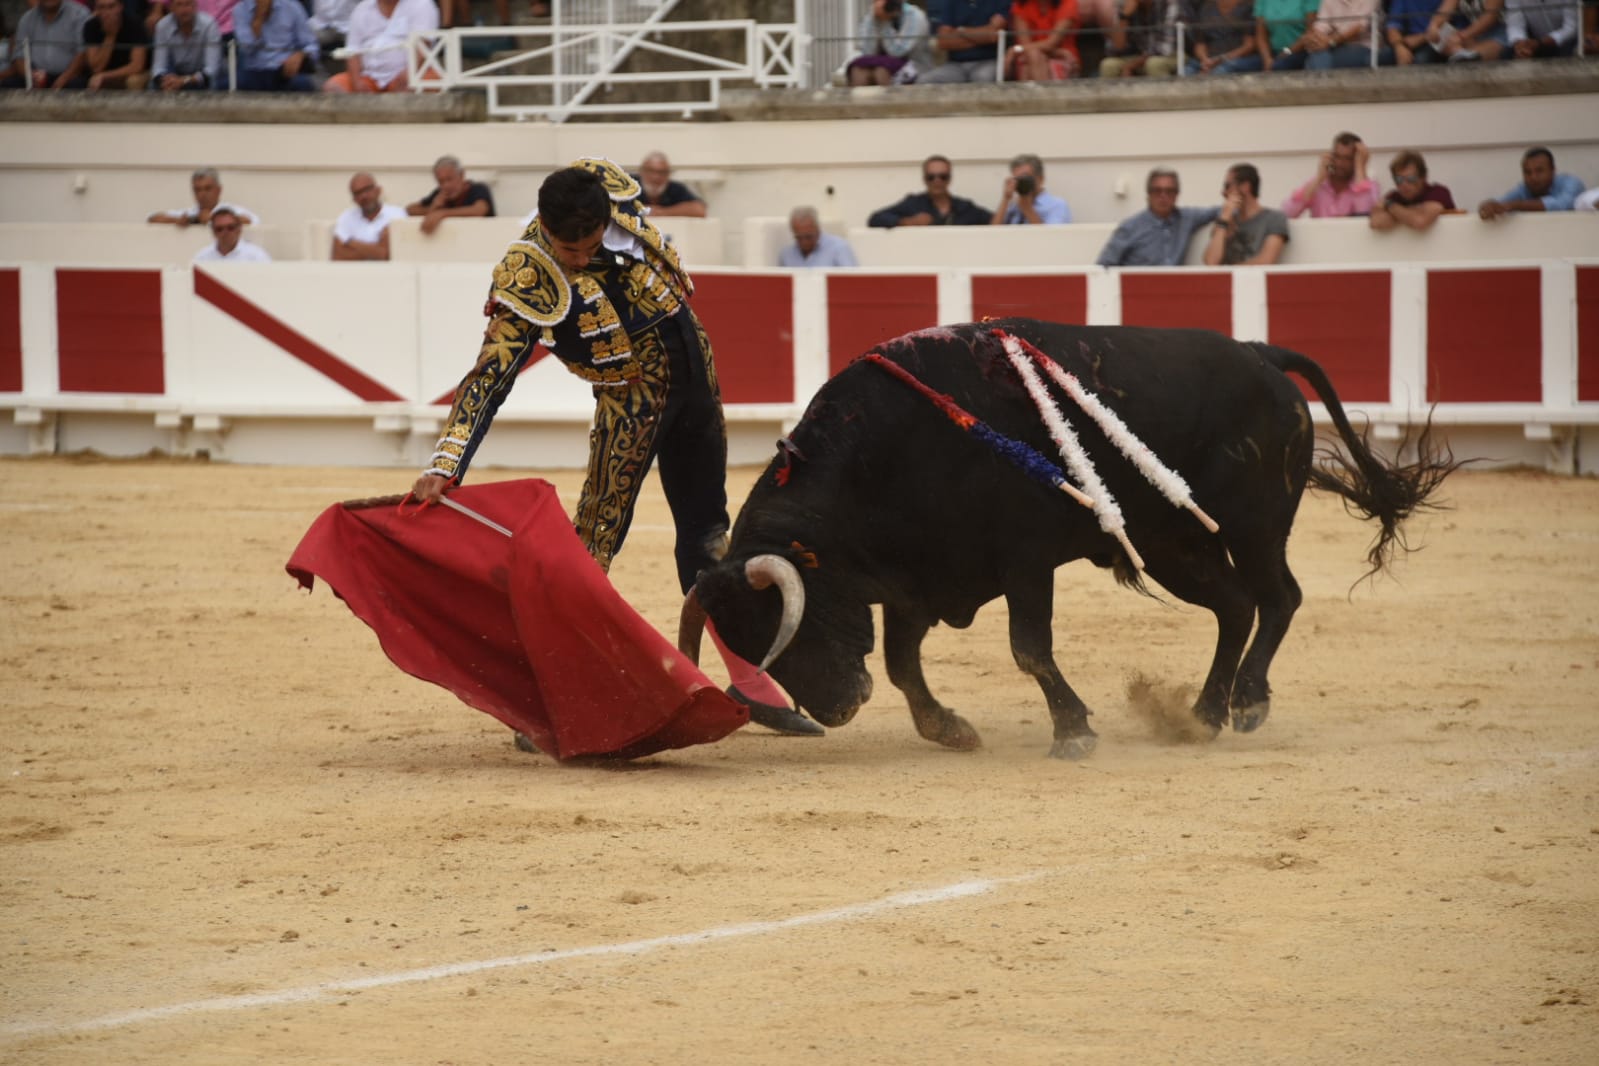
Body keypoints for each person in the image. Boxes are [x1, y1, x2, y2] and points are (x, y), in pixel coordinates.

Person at [409, 159, 823, 738]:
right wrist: (447, 462)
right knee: (593, 543)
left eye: (586, 245)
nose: (576, 259)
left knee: (708, 532)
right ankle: (546, 692)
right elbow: (491, 372)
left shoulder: (615, 198)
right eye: (566, 249)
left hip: (697, 383)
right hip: (631, 402)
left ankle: (746, 680)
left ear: (606, 217)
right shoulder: (527, 271)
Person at [1096, 167, 1221, 266]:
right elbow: (1104, 265)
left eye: (1169, 191)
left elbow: (1218, 211)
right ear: (1148, 194)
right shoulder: (1129, 227)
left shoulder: (1186, 219)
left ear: (1176, 195)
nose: (1163, 196)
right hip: (1137, 293)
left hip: (1173, 292)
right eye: (1157, 191)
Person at [321, 0, 435, 92]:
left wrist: (408, 74)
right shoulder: (362, 8)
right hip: (370, 77)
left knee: (414, 85)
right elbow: (352, 51)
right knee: (333, 87)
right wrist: (357, 82)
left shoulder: (422, 4)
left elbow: (423, 46)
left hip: (414, 73)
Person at [867, 155, 993, 227]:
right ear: (924, 180)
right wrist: (908, 222)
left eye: (943, 176)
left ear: (949, 179)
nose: (937, 181)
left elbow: (994, 222)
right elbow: (875, 219)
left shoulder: (964, 207)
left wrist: (1006, 197)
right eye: (931, 177)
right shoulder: (913, 204)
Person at [1203, 163, 1290, 265]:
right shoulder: (1225, 220)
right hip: (1224, 280)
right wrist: (1223, 221)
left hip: (1253, 280)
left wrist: (1227, 272)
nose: (1223, 192)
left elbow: (1266, 261)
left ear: (1245, 187)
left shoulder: (1274, 218)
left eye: (1227, 186)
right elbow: (1211, 262)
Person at [1282, 131, 1380, 218]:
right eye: (1337, 157)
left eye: (1347, 159)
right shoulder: (1318, 184)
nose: (1340, 163)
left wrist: (1360, 167)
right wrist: (1318, 179)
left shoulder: (1369, 185)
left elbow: (1364, 214)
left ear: (1356, 159)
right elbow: (1287, 213)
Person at [58, 0, 151, 91]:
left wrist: (105, 76)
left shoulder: (135, 24)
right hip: (99, 75)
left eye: (111, 6)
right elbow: (96, 68)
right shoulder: (91, 26)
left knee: (133, 81)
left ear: (120, 7)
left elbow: (137, 65)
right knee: (76, 84)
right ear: (96, 9)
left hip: (126, 74)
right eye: (101, 7)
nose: (106, 12)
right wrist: (110, 37)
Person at [1478, 146, 1588, 220]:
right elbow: (1502, 203)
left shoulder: (1571, 183)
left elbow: (1562, 205)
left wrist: (1516, 205)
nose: (1533, 177)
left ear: (1553, 170)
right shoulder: (1524, 189)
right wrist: (1488, 206)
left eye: (1539, 171)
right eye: (1527, 172)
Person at [0, 0, 92, 88]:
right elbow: (19, 56)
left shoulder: (79, 14)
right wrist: (30, 77)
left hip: (70, 76)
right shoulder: (27, 19)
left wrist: (64, 78)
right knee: (8, 84)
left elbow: (83, 53)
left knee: (77, 85)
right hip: (36, 76)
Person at [233, 0, 318, 91]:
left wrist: (301, 55)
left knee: (303, 83)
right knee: (224, 86)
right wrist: (258, 19)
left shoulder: (292, 7)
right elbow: (246, 50)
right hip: (255, 70)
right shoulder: (240, 9)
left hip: (284, 70)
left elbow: (311, 44)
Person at [845, 0, 933, 85]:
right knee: (858, 70)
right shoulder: (873, 15)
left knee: (881, 71)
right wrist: (874, 20)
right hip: (883, 62)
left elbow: (898, 51)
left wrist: (884, 22)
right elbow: (867, 52)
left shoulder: (915, 16)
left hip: (915, 65)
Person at [920, 0, 1010, 83]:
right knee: (925, 80)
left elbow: (993, 36)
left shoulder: (1000, 1)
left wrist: (960, 31)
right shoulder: (951, 2)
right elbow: (943, 41)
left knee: (983, 77)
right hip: (955, 65)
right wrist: (981, 36)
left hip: (988, 61)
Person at [406, 155, 496, 235]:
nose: (446, 185)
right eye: (441, 181)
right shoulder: (440, 194)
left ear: (461, 175)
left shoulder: (477, 188)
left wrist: (442, 213)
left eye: (449, 179)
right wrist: (432, 208)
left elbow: (479, 210)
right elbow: (410, 210)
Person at [1368, 151, 1455, 232]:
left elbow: (1420, 222)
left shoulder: (1438, 192)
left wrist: (1391, 207)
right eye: (1399, 179)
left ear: (1423, 177)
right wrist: (1411, 213)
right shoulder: (1393, 197)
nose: (1404, 184)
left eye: (1411, 179)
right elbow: (1377, 222)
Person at [331, 171, 407, 260]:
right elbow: (338, 257)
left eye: (367, 189)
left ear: (378, 190)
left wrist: (349, 242)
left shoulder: (397, 215)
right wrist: (377, 249)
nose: (363, 196)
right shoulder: (346, 218)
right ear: (354, 199)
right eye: (357, 193)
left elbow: (386, 254)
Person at [149, 167, 260, 227]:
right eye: (197, 189)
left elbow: (251, 221)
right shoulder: (191, 213)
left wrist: (212, 218)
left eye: (207, 188)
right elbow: (152, 219)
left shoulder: (232, 210)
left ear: (219, 190)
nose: (202, 194)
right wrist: (178, 220)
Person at [150, 0, 222, 90]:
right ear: (171, 8)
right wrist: (166, 80)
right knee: (154, 85)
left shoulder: (209, 25)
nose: (184, 10)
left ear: (195, 6)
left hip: (200, 76)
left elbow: (212, 69)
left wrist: (184, 80)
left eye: (188, 4)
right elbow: (158, 67)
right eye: (179, 5)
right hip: (174, 73)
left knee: (212, 81)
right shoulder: (162, 26)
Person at [1099, 0, 1179, 77]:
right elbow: (1115, 48)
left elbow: (1163, 49)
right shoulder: (1124, 4)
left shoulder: (1169, 3)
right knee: (1108, 65)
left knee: (1154, 64)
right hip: (1139, 55)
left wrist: (1131, 66)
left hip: (1172, 55)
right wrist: (1124, 16)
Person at [1007, 0, 1081, 80]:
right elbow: (1026, 45)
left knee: (1030, 60)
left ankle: (1038, 91)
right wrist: (1059, 52)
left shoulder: (1068, 3)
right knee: (1031, 56)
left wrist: (1015, 49)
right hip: (1041, 55)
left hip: (1063, 59)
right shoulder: (1021, 5)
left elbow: (1052, 43)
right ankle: (1044, 91)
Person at [990, 152, 1070, 226]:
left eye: (1025, 177)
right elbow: (992, 234)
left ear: (1040, 179)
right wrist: (1006, 198)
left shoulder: (1056, 205)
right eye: (1017, 179)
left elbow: (1051, 237)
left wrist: (1027, 208)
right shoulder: (1014, 205)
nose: (1021, 182)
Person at [1185, 0, 1260, 74]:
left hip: (1238, 59)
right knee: (1186, 71)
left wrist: (1221, 59)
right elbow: (1200, 44)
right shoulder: (1206, 8)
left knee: (1219, 72)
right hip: (1209, 60)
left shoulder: (1249, 7)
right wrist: (1205, 60)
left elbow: (1250, 46)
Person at [1299, 0, 1380, 67]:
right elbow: (1321, 26)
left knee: (1333, 59)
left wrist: (1331, 41)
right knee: (1316, 56)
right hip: (1333, 45)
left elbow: (1359, 28)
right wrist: (1316, 39)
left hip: (1363, 47)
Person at [778, 207, 859, 268]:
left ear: (817, 229)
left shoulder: (839, 248)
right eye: (798, 237)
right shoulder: (787, 254)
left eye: (808, 236)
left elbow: (851, 281)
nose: (804, 242)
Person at [633, 152, 707, 218]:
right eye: (651, 171)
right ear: (641, 171)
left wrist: (661, 212)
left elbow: (699, 209)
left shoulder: (675, 188)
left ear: (668, 174)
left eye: (662, 172)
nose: (656, 177)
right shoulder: (629, 184)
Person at [1433, 0, 1507, 61]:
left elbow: (1490, 18)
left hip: (1501, 30)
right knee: (1442, 39)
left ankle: (1462, 54)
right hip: (1474, 32)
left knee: (1471, 60)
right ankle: (1459, 52)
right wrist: (1434, 27)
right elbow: (1443, 12)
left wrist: (1461, 36)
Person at [1252, 0, 1319, 68]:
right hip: (1272, 52)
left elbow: (1310, 32)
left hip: (1300, 51)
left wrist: (1286, 52)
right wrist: (1267, 59)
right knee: (1241, 66)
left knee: (1278, 66)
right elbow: (1261, 35)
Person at [193, 207, 272, 261]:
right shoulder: (202, 257)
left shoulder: (256, 256)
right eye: (219, 229)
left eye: (230, 227)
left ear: (239, 229)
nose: (225, 232)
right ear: (213, 231)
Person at [1505, 0, 1579, 56]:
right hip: (1533, 41)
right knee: (1508, 52)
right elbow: (1515, 24)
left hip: (1566, 42)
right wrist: (1520, 44)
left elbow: (1571, 28)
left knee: (1567, 51)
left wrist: (1540, 43)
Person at [1382, 0, 1449, 62]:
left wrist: (1422, 38)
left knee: (1421, 59)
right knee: (1380, 56)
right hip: (1408, 42)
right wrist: (1399, 47)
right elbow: (1392, 27)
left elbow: (1438, 29)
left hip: (1439, 42)